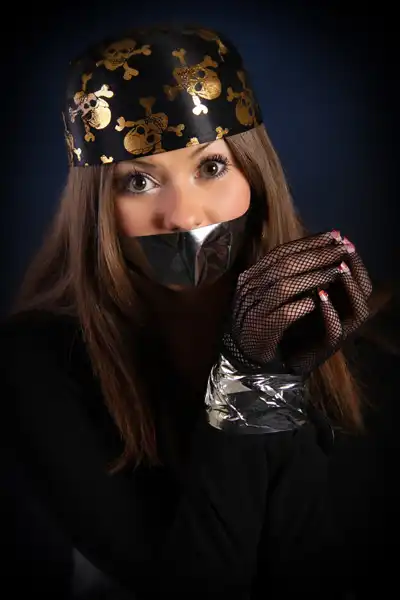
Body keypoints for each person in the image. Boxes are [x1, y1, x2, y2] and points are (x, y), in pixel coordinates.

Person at [1, 24, 373, 599]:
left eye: (212, 167)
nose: (183, 216)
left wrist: (279, 376)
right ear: (96, 206)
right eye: (139, 180)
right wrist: (249, 377)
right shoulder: (36, 360)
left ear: (255, 176)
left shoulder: (344, 328)